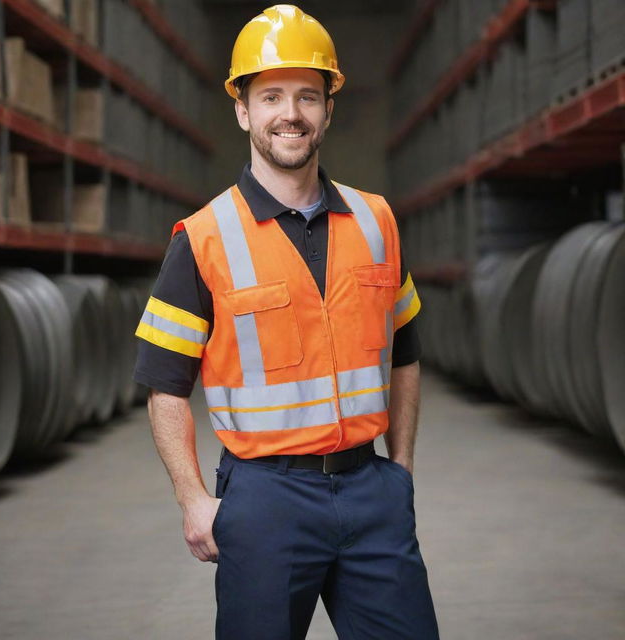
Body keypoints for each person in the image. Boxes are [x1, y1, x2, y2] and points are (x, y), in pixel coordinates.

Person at [134, 5, 439, 639]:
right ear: (243, 110)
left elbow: (404, 353)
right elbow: (165, 388)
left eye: (307, 95)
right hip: (265, 500)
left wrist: (400, 470)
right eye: (270, 95)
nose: (290, 113)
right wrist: (194, 500)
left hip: (370, 490)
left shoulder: (378, 220)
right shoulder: (203, 238)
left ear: (328, 108)